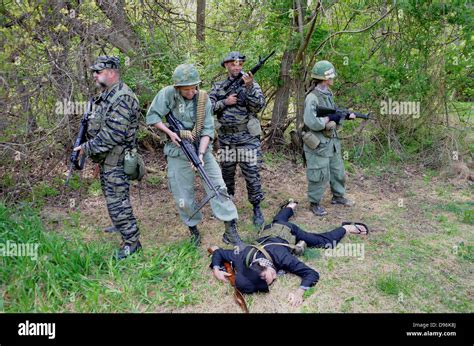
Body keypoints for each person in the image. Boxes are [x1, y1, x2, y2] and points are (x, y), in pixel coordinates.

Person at [146, 63, 245, 249]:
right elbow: (152, 117)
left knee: (218, 186)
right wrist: (170, 133)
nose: (191, 92)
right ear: (177, 88)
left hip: (201, 149)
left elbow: (208, 129)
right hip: (177, 151)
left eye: (194, 87)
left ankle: (230, 230)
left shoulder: (203, 99)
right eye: (186, 89)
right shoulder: (167, 94)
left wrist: (200, 154)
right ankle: (193, 228)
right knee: (182, 193)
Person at [210, 199, 368, 307]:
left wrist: (300, 292)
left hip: (288, 231)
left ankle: (347, 227)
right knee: (278, 220)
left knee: (323, 241)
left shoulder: (282, 257)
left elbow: (311, 274)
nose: (273, 280)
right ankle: (291, 205)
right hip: (270, 228)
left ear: (264, 268)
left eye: (268, 279)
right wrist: (217, 269)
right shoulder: (242, 257)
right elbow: (219, 252)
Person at [73, 56, 141, 259]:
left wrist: (86, 148)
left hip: (118, 159)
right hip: (107, 159)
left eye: (98, 71)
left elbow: (113, 134)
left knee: (118, 200)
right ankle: (121, 226)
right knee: (113, 198)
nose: (94, 75)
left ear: (112, 72)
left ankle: (132, 243)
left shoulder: (122, 97)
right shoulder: (107, 95)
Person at [209, 51, 266, 229]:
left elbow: (258, 105)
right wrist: (224, 102)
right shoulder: (218, 87)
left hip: (246, 139)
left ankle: (256, 208)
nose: (237, 66)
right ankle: (228, 205)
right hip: (226, 139)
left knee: (252, 174)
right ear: (226, 65)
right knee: (226, 174)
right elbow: (207, 108)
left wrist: (248, 89)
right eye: (233, 63)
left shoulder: (251, 84)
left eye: (240, 63)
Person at [303, 60, 355, 217]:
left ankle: (338, 196)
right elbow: (312, 121)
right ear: (324, 78)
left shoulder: (327, 93)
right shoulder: (312, 97)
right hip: (318, 143)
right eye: (331, 76)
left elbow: (331, 113)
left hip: (331, 142)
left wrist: (343, 117)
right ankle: (314, 203)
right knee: (318, 174)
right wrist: (328, 120)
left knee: (337, 171)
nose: (333, 79)